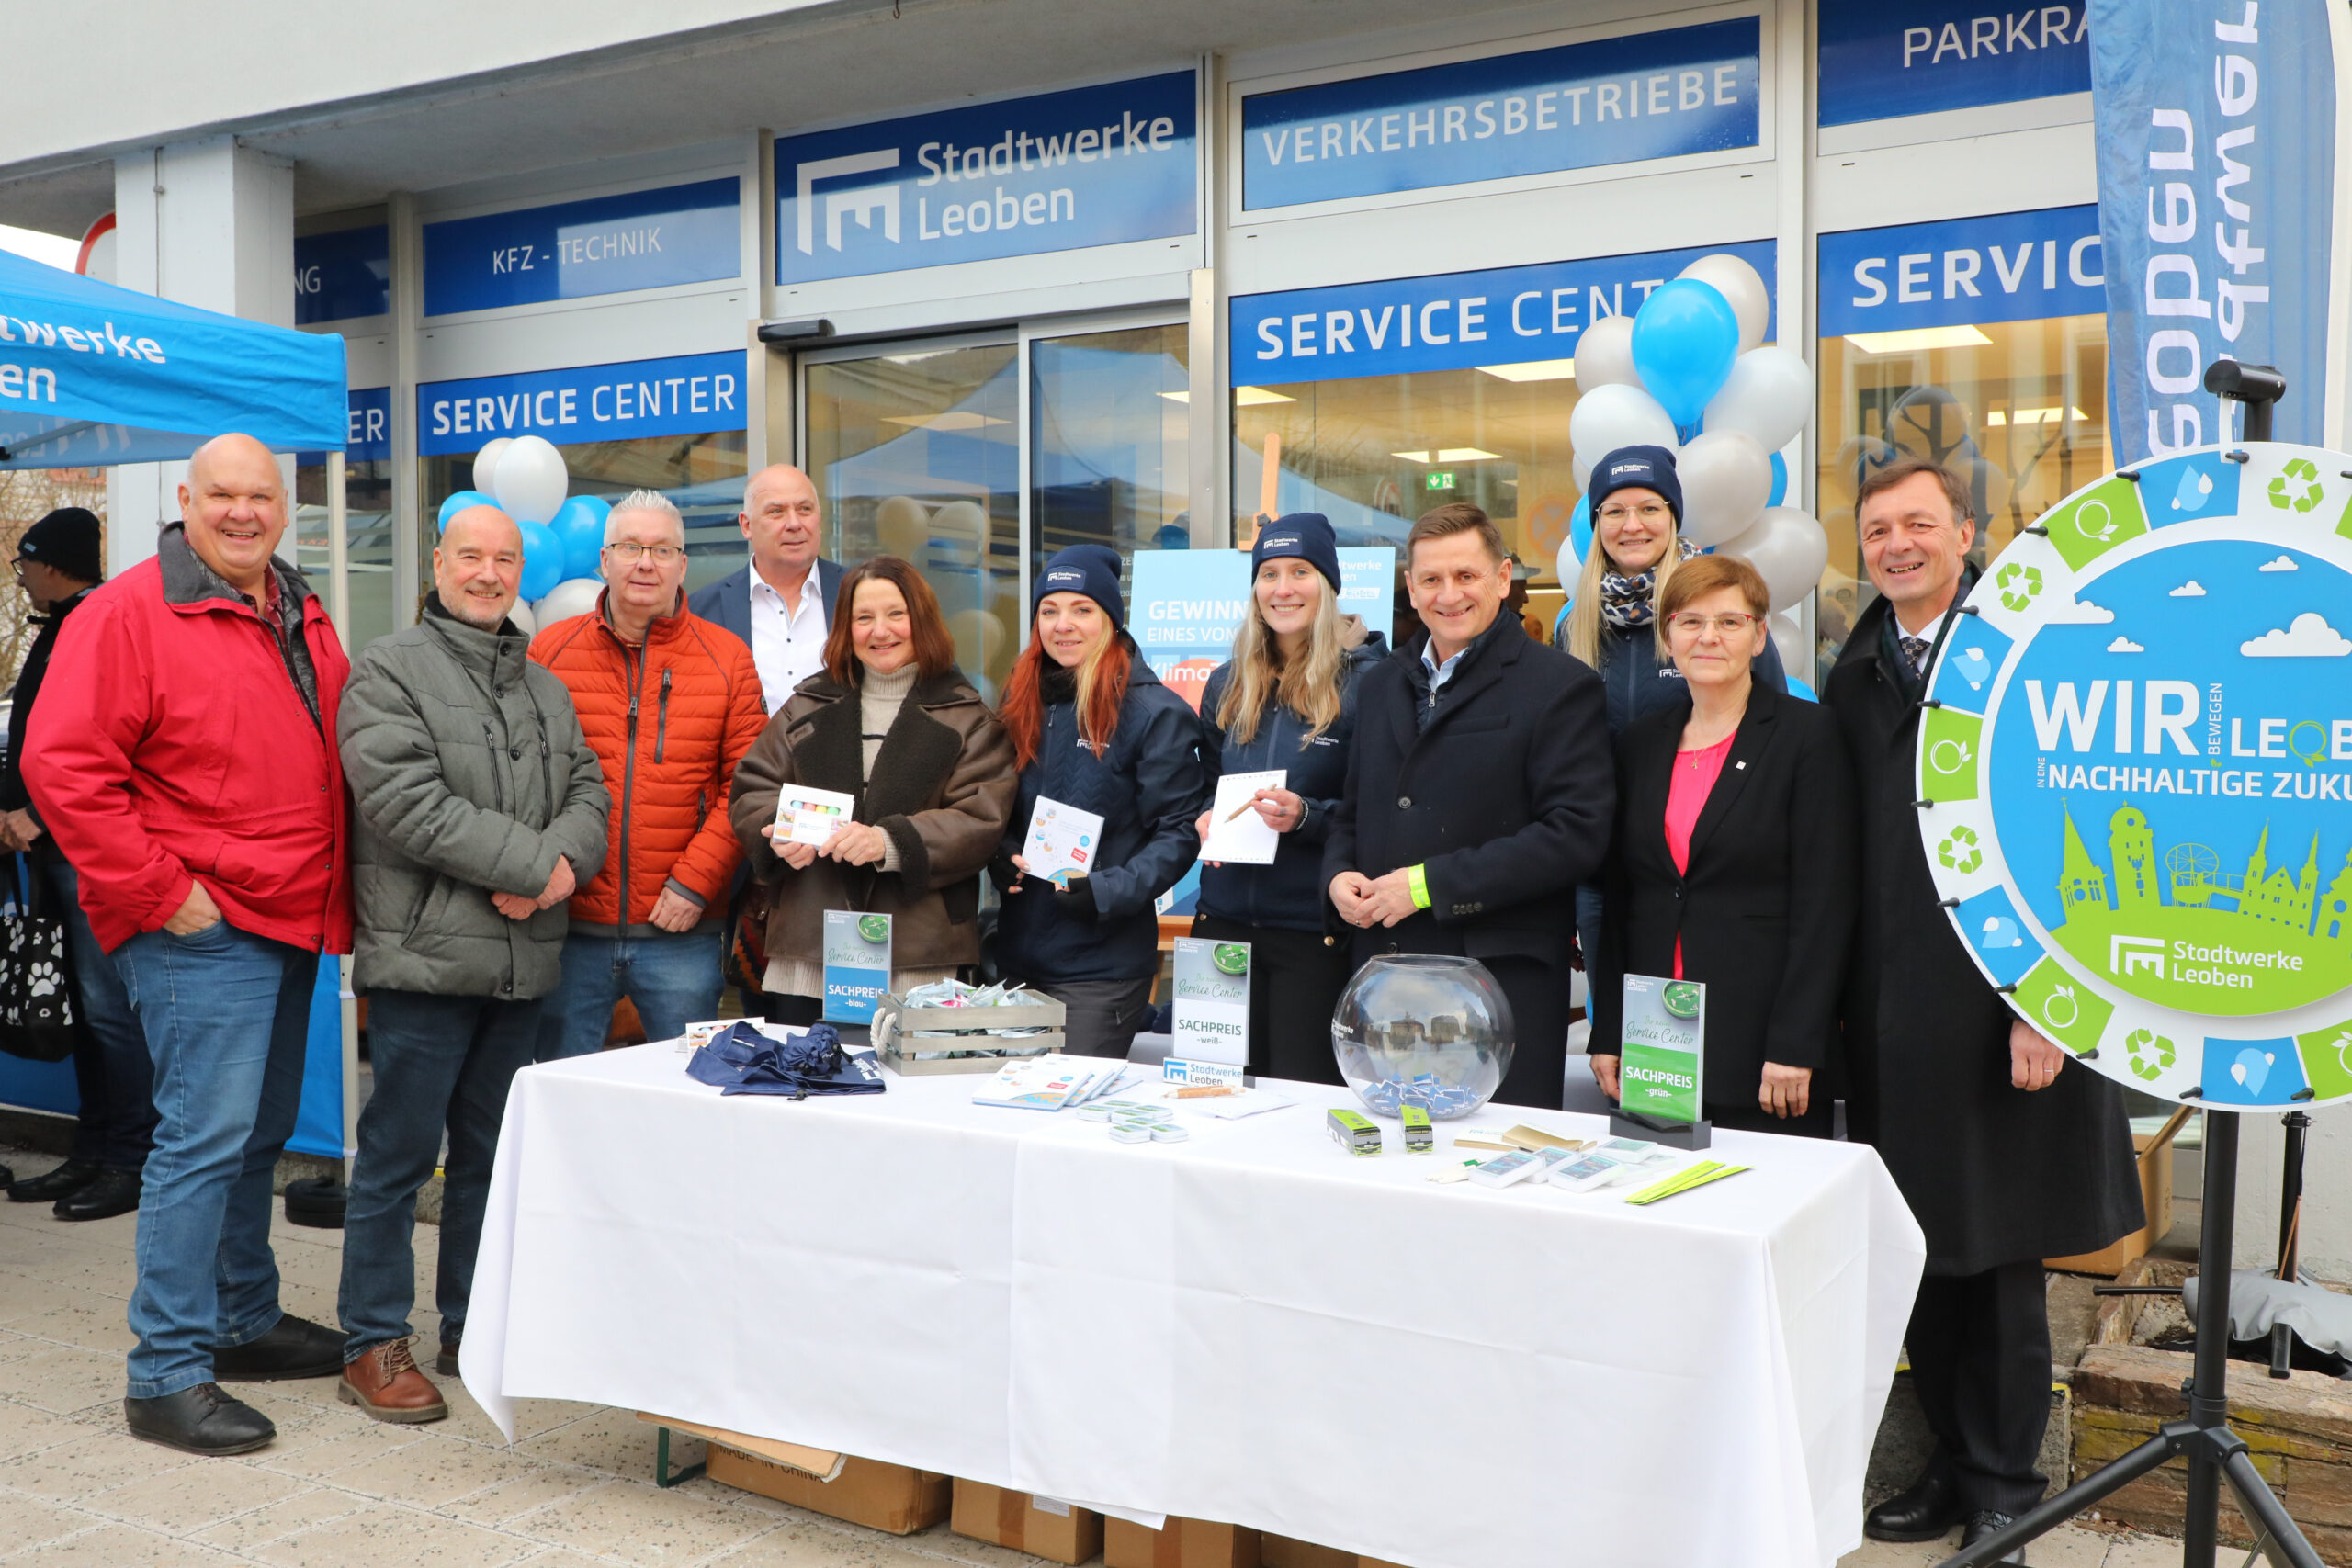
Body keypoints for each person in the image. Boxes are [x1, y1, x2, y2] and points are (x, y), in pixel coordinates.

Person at [1828, 458, 2141, 1560]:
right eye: (1878, 529)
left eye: (1920, 523)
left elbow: (2085, 824)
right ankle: (1950, 1466)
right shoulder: (1853, 672)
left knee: (2002, 1259)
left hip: (2008, 1006)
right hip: (1891, 1015)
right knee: (1921, 1252)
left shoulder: (2030, 650)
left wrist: (2049, 1003)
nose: (1898, 544)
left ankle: (2009, 1478)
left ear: (1968, 532)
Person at [25, 434, 355, 1456]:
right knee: (200, 1144)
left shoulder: (295, 604)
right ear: (185, 499)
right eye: (224, 495)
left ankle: (240, 1318)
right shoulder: (128, 612)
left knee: (255, 1138)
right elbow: (62, 765)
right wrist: (166, 894)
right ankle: (165, 1371)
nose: (244, 512)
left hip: (294, 912)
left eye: (262, 496)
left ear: (284, 506)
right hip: (201, 926)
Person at [334, 506, 609, 1421]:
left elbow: (588, 793)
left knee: (490, 1162)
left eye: (504, 559)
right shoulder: (387, 669)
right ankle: (372, 1341)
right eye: (471, 558)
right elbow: (405, 803)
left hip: (521, 963)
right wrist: (535, 868)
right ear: (438, 563)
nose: (489, 574)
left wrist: (557, 871)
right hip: (423, 965)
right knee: (396, 1161)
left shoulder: (543, 685)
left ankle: (471, 1326)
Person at [1325, 503, 1613, 1109]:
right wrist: (1337, 875)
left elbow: (1575, 834)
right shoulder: (1378, 685)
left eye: (1466, 576)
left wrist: (1427, 885)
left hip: (1496, 991)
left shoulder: (1560, 685)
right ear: (1410, 586)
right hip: (1385, 985)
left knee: (1495, 1175)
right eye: (1431, 579)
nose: (1448, 594)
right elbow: (1352, 810)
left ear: (1503, 578)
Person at [1585, 555, 1855, 1134]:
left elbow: (1825, 905)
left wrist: (1796, 1042)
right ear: (1668, 637)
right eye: (1690, 621)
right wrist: (1608, 1029)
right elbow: (1622, 901)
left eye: (1731, 622)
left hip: (1763, 1052)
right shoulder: (1639, 746)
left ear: (1759, 636)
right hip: (1656, 1044)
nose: (1709, 637)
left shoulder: (1807, 736)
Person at [729, 557, 1016, 1024]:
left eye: (895, 615)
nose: (880, 631)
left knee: (903, 1094)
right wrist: (776, 832)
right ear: (846, 628)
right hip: (810, 948)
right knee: (805, 1091)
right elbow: (752, 788)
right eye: (863, 618)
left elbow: (980, 818)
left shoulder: (969, 718)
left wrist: (886, 842)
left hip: (919, 958)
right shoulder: (806, 704)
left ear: (921, 621)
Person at [530, 491, 765, 1057]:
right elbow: (526, 780)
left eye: (663, 550)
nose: (645, 562)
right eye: (631, 547)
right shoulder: (549, 651)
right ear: (603, 560)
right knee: (567, 1094)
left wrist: (694, 883)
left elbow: (749, 786)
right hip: (569, 927)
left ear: (683, 565)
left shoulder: (726, 658)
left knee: (689, 1096)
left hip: (682, 931)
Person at [1558, 446, 1787, 987]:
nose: (1631, 525)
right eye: (1613, 511)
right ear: (1596, 525)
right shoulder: (1576, 624)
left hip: (1706, 866)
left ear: (1673, 516)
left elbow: (1773, 725)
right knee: (1617, 1034)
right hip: (1603, 870)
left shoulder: (1715, 609)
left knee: (1708, 1025)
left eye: (1649, 508)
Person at [1191, 514, 1385, 1082]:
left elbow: (1377, 810)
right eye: (1269, 573)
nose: (1282, 588)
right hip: (1220, 925)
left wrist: (1306, 816)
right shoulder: (1226, 681)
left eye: (1300, 571)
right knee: (1210, 1097)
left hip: (1311, 933)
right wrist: (1204, 818)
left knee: (1301, 1107)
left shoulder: (1368, 682)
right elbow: (1205, 784)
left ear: (1327, 584)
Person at [1, 508, 155, 1221]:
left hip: (81, 849)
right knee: (86, 1012)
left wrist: (37, 811)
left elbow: (104, 738)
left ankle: (130, 1159)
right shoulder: (60, 623)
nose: (20, 573)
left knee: (109, 1010)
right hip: (48, 848)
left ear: (54, 562)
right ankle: (93, 1150)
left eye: (24, 561)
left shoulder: (97, 625)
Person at [993, 544, 1206, 1058]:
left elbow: (1177, 833)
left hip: (1101, 971)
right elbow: (999, 806)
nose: (1062, 625)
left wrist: (1105, 891)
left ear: (1110, 619)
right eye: (1049, 610)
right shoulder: (1021, 698)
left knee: (1067, 1120)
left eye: (1082, 609)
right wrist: (1001, 857)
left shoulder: (1154, 713)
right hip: (1019, 957)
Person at [687, 464, 843, 716]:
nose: (794, 524)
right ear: (746, 525)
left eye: (805, 509)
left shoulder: (856, 593)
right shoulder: (701, 610)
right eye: (776, 512)